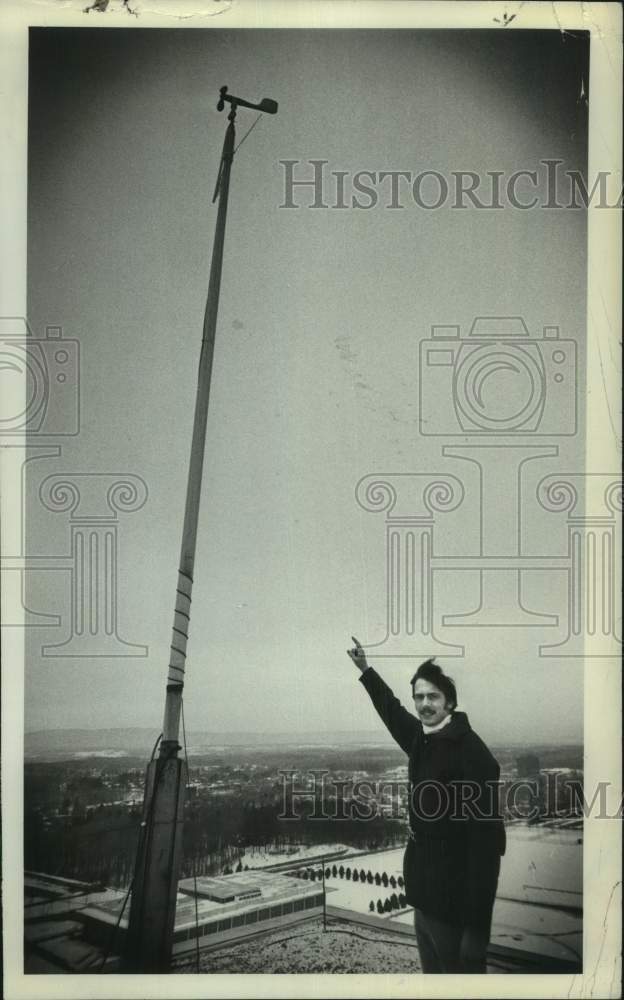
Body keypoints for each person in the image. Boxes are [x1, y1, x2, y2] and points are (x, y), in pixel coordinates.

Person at [347, 636, 505, 974]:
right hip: (425, 900)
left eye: (433, 696)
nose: (424, 704)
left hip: (455, 908)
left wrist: (477, 931)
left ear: (450, 703)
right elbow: (391, 710)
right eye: (419, 696)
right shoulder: (424, 739)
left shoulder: (472, 754)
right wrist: (365, 669)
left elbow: (487, 847)